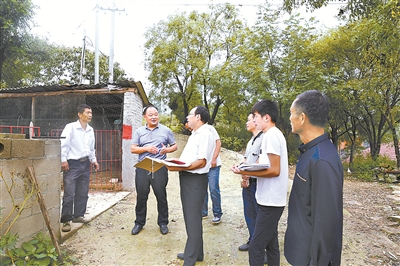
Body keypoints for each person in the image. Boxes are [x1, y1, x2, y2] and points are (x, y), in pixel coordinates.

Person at [284, 90, 343, 266]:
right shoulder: (309, 151)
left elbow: (326, 224)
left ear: (302, 118)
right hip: (300, 251)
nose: (289, 118)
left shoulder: (322, 160)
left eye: (291, 113)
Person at [231, 100, 288, 266]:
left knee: (256, 247)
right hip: (269, 199)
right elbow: (265, 166)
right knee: (271, 244)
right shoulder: (272, 135)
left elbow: (274, 170)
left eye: (256, 116)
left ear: (267, 117)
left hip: (270, 201)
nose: (254, 120)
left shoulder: (270, 135)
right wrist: (246, 168)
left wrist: (244, 172)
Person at [166, 106, 215, 266]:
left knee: (192, 218)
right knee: (191, 217)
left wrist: (178, 167)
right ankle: (196, 253)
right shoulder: (196, 133)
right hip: (188, 178)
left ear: (198, 117)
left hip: (195, 180)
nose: (187, 117)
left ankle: (190, 258)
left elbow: (201, 161)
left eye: (190, 115)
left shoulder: (206, 134)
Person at [130, 104, 177, 235]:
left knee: (161, 195)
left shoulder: (166, 130)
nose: (154, 117)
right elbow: (133, 149)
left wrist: (166, 150)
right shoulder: (139, 132)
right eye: (150, 115)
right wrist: (147, 148)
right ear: (145, 117)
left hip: (159, 165)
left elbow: (174, 146)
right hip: (143, 166)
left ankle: (163, 222)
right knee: (141, 196)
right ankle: (139, 223)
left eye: (156, 114)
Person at [60, 104, 100, 233]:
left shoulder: (90, 130)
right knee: (69, 193)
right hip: (72, 164)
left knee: (82, 192)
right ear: (79, 114)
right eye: (87, 112)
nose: (90, 115)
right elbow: (64, 145)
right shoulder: (70, 127)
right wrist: (63, 160)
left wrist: (94, 161)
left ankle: (78, 215)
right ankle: (66, 220)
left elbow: (91, 148)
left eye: (91, 113)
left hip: (85, 164)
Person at [238, 113, 268, 264]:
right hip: (247, 182)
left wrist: (247, 175)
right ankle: (253, 241)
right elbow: (245, 159)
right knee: (249, 214)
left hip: (257, 182)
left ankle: (262, 249)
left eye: (249, 120)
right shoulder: (251, 141)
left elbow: (260, 161)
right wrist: (243, 175)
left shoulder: (264, 139)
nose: (247, 122)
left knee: (259, 217)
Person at [202, 123, 223, 224]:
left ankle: (217, 213)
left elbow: (218, 143)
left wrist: (214, 158)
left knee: (213, 189)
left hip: (213, 165)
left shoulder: (209, 128)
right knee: (202, 189)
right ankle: (203, 212)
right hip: (202, 166)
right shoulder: (195, 131)